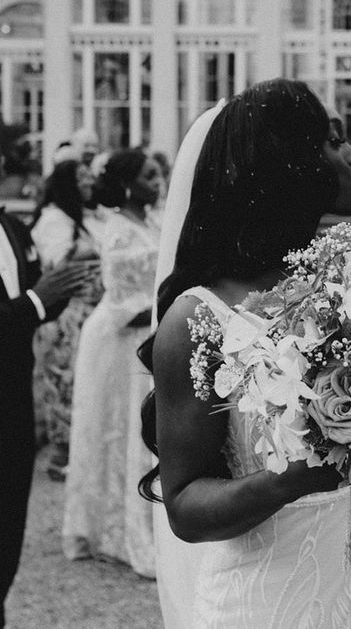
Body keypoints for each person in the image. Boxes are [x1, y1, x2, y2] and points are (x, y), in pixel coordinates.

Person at [141, 80, 351, 628]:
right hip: (266, 602)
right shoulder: (200, 317)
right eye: (333, 140)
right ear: (288, 164)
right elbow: (184, 506)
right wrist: (287, 480)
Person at [61, 149, 163, 576]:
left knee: (138, 429)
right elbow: (122, 300)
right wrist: (167, 313)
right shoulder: (118, 230)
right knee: (115, 427)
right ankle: (112, 531)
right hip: (120, 336)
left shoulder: (153, 222)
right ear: (127, 183)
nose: (158, 182)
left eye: (159, 174)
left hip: (145, 334)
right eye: (150, 175)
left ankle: (142, 527)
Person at [0, 208, 89, 628]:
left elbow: (34, 295)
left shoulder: (13, 226)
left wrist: (62, 286)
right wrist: (37, 301)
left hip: (15, 400)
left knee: (9, 517)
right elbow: (29, 303)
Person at [30, 159, 104, 479]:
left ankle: (78, 454)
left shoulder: (84, 217)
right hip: (63, 317)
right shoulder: (53, 220)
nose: (89, 182)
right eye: (82, 178)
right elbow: (57, 265)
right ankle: (60, 458)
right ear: (67, 184)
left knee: (81, 384)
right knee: (63, 385)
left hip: (85, 315)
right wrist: (87, 251)